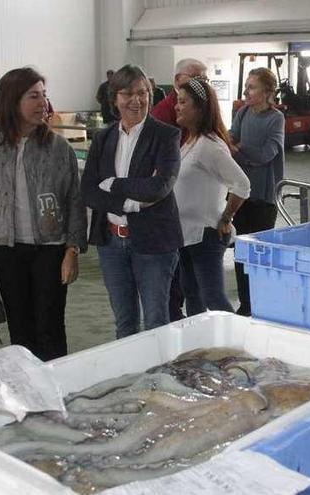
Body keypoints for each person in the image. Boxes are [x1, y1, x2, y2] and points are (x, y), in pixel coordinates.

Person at [0, 67, 87, 361]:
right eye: (34, 96)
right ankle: (28, 392)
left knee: (50, 325)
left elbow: (74, 200)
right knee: (20, 328)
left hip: (50, 248)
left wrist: (72, 249)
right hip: (4, 249)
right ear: (12, 100)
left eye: (44, 95)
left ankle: (57, 386)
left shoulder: (58, 148)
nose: (42, 102)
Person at [81, 64, 183, 340]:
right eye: (128, 93)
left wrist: (113, 184)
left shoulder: (166, 136)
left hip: (154, 243)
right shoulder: (103, 138)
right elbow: (89, 190)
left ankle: (159, 381)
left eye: (143, 93)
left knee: (156, 322)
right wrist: (132, 203)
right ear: (115, 98)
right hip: (111, 243)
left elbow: (159, 186)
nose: (136, 100)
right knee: (124, 324)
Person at [174, 78, 250, 314]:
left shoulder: (210, 145)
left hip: (205, 235)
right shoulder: (191, 142)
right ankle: (201, 345)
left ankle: (231, 345)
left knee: (213, 298)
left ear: (199, 108)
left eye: (182, 102)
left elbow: (242, 184)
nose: (177, 107)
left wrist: (226, 218)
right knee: (192, 295)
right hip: (186, 234)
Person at [151, 58, 208, 322]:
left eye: (204, 78)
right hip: (172, 208)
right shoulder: (165, 114)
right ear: (177, 80)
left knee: (195, 281)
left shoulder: (203, 124)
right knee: (177, 278)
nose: (201, 83)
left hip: (194, 211)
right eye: (195, 77)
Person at [229, 67, 285, 316]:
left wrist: (239, 150)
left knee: (260, 252)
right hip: (241, 193)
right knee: (241, 251)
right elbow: (230, 139)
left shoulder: (276, 119)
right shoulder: (242, 112)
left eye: (252, 87)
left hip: (263, 196)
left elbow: (266, 154)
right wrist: (237, 147)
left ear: (267, 92)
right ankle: (246, 304)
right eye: (246, 86)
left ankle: (262, 303)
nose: (246, 91)